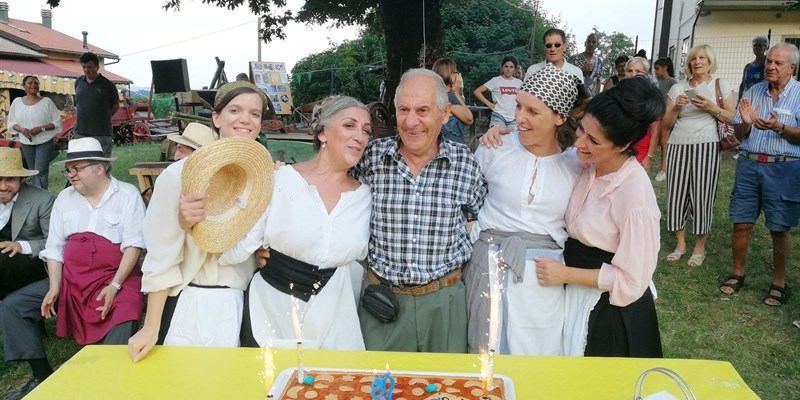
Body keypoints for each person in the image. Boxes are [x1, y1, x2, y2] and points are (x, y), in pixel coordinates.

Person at [127, 80, 269, 362]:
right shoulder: (179, 175)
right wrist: (151, 326)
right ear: (216, 118)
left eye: (255, 114)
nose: (245, 119)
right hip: (191, 304)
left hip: (243, 305)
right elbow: (161, 254)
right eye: (235, 110)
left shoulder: (265, 178)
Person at [352, 68, 487, 353]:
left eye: (423, 110)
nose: (412, 122)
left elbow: (480, 217)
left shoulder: (466, 163)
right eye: (404, 110)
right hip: (382, 303)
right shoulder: (370, 158)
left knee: (446, 392)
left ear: (445, 113)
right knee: (379, 391)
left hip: (445, 303)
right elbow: (329, 188)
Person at [0, 137, 145, 400]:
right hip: (71, 278)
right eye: (69, 169)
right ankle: (41, 375)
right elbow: (54, 247)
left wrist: (115, 285)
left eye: (76, 168)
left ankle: (108, 380)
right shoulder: (65, 198)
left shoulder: (127, 195)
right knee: (13, 306)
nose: (70, 175)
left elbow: (134, 245)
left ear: (99, 168)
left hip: (114, 277)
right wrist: (55, 287)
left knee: (126, 308)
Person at [535, 77, 665, 358]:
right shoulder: (582, 162)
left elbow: (632, 281)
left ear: (622, 145)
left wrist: (565, 274)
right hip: (573, 296)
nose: (579, 142)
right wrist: (500, 137)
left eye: (593, 140)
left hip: (608, 313)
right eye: (581, 128)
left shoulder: (634, 194)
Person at [236, 96, 372, 350]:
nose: (360, 137)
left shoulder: (364, 197)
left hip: (336, 319)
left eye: (366, 131)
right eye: (349, 126)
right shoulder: (281, 181)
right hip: (274, 311)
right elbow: (241, 242)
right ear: (322, 132)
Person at [466, 65, 582, 356]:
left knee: (540, 353)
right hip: (489, 267)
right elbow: (467, 202)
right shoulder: (495, 147)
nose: (519, 117)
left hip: (543, 278)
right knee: (485, 354)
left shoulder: (576, 165)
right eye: (518, 106)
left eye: (533, 111)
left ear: (559, 117)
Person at [720, 43, 800, 306]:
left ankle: (778, 283)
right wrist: (745, 122)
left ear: (792, 67)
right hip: (749, 165)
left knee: (779, 227)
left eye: (778, 63)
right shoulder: (753, 91)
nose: (770, 66)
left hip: (784, 167)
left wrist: (780, 127)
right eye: (769, 62)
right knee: (741, 222)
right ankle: (737, 273)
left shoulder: (799, 94)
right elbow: (739, 135)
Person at [662, 44, 735, 267]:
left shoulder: (720, 84)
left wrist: (712, 107)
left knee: (703, 195)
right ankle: (681, 244)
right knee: (676, 194)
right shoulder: (678, 88)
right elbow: (666, 124)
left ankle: (700, 246)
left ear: (710, 61)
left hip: (707, 144)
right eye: (693, 58)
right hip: (678, 145)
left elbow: (731, 117)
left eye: (702, 58)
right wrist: (676, 108)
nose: (697, 62)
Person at [0, 148, 55, 299]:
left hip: (30, 261)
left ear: (21, 179)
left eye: (10, 179)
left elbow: (55, 243)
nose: (3, 187)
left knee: (4, 260)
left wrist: (21, 246)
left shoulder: (43, 200)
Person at [6, 76, 62, 189]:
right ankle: (36, 196)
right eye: (30, 83)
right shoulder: (17, 102)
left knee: (40, 171)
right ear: (23, 86)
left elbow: (57, 123)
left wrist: (41, 128)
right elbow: (11, 123)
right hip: (26, 143)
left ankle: (41, 197)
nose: (33, 85)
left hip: (45, 142)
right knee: (32, 171)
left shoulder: (47, 102)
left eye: (36, 83)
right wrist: (22, 130)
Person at [73, 52, 120, 158]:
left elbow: (115, 106)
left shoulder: (108, 85)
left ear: (97, 67)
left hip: (101, 133)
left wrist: (101, 117)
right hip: (81, 132)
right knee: (82, 165)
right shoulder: (78, 82)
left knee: (102, 166)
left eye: (89, 67)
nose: (86, 70)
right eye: (84, 67)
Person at [624, 57, 662, 173]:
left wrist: (649, 157)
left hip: (641, 153)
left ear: (645, 74)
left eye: (638, 71)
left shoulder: (653, 98)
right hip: (619, 153)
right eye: (630, 71)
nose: (633, 74)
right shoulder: (618, 95)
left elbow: (655, 133)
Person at [473, 56, 523, 130]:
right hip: (498, 115)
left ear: (514, 69)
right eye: (506, 66)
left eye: (511, 67)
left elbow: (523, 98)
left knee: (511, 140)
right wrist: (489, 104)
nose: (508, 69)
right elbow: (477, 92)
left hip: (513, 118)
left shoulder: (519, 83)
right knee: (497, 140)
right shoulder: (495, 80)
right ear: (502, 67)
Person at [432, 58, 473, 144]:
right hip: (453, 148)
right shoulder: (449, 97)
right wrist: (456, 92)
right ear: (449, 74)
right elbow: (469, 119)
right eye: (456, 72)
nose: (458, 76)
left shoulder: (435, 95)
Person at [653, 57, 678, 182]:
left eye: (657, 69)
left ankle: (664, 170)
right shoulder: (656, 81)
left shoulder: (673, 83)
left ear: (665, 68)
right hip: (656, 115)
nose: (655, 72)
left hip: (667, 117)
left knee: (664, 143)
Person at [738, 36, 769, 102]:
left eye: (760, 45)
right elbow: (742, 85)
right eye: (754, 46)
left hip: (763, 99)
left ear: (765, 47)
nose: (756, 48)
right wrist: (739, 100)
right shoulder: (748, 67)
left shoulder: (768, 64)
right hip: (749, 99)